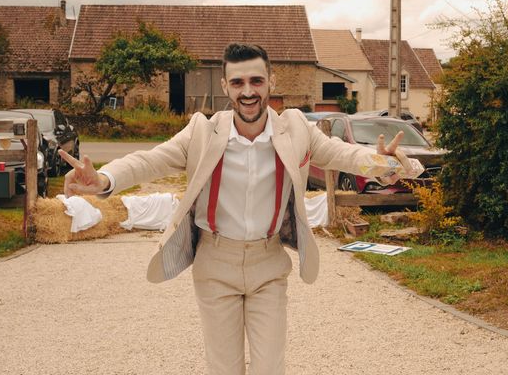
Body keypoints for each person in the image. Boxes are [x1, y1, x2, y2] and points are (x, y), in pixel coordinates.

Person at [59, 43, 422, 375]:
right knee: (224, 368)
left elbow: (342, 153)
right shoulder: (203, 131)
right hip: (215, 263)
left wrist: (380, 161)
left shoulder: (295, 128)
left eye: (256, 81)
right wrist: (105, 179)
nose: (248, 91)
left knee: (270, 367)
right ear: (226, 85)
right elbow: (150, 160)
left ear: (270, 81)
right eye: (238, 83)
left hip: (268, 262)